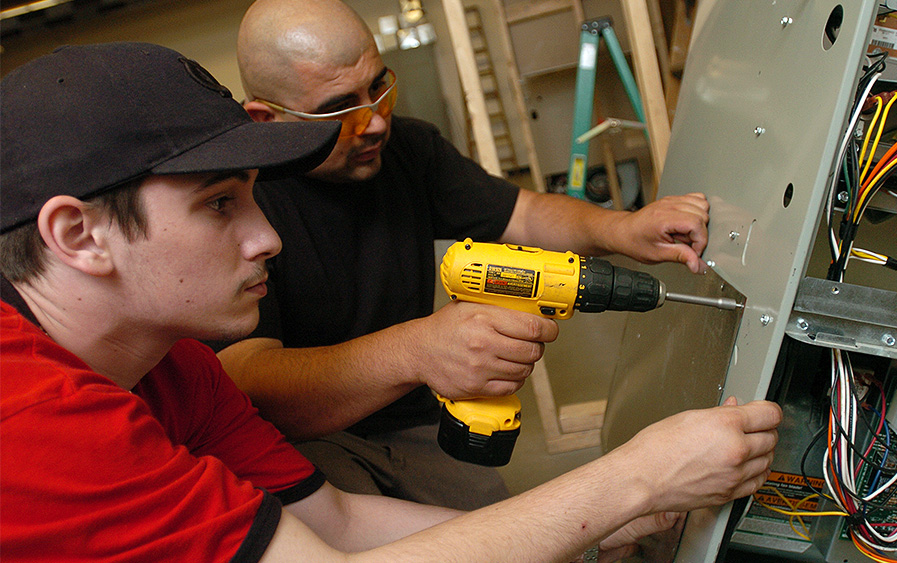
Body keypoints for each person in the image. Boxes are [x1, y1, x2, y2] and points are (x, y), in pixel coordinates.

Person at [0, 42, 780, 563]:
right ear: (78, 235)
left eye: (252, 199)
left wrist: (597, 515)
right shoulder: (32, 423)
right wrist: (636, 478)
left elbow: (337, 524)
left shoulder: (175, 369)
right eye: (216, 206)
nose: (266, 236)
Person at [224, 0, 716, 511]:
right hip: (296, 439)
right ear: (267, 119)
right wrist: (418, 350)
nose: (373, 123)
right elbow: (246, 379)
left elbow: (521, 214)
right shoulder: (237, 204)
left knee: (504, 531)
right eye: (339, 111)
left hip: (408, 413)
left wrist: (624, 228)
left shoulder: (408, 149)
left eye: (378, 88)